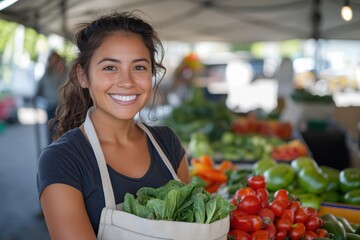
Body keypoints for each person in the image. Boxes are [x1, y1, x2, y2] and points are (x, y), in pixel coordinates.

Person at [37, 10, 190, 239]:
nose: (127, 82)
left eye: (139, 67)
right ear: (83, 76)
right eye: (110, 67)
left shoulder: (168, 143)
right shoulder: (62, 160)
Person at [35, 50, 67, 143]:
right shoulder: (47, 74)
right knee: (51, 131)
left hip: (65, 107)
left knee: (64, 130)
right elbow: (38, 89)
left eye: (56, 60)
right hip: (51, 106)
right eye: (52, 61)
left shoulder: (67, 73)